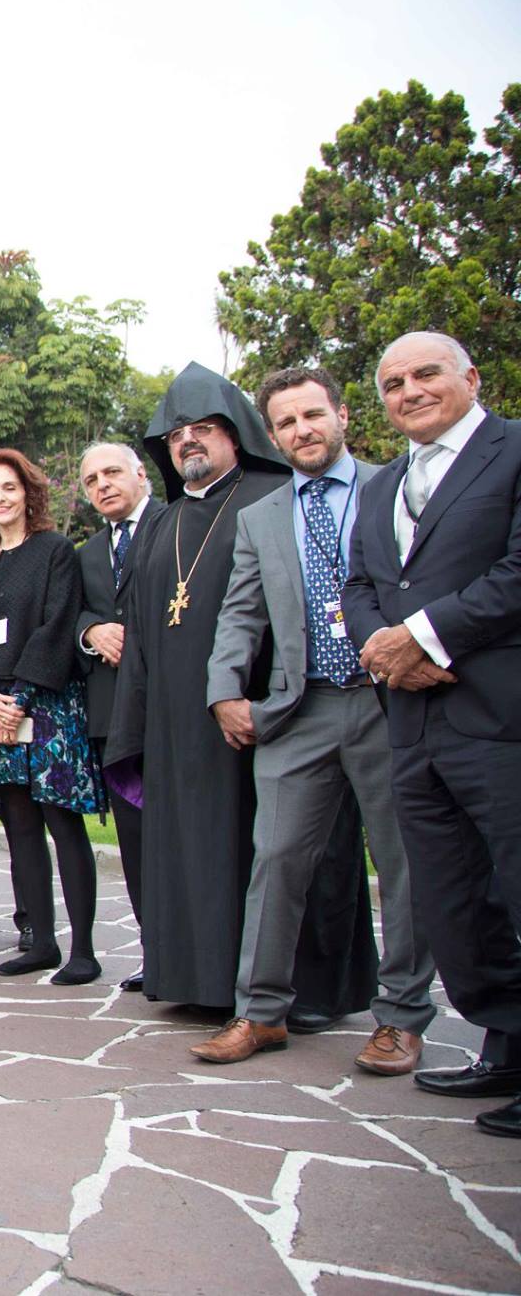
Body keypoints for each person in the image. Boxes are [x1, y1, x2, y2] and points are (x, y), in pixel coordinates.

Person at [194, 367, 434, 1071]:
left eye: (312, 415)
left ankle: (401, 1018)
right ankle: (260, 1012)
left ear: (343, 416)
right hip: (300, 708)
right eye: (287, 422)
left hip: (391, 702)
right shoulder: (261, 517)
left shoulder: (398, 488)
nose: (302, 430)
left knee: (404, 862)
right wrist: (223, 689)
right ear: (274, 435)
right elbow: (241, 611)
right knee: (276, 862)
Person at [342, 331, 521, 1138]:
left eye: (425, 373)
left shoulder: (512, 453)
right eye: (392, 382)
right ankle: (506, 1042)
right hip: (413, 723)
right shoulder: (382, 486)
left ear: (470, 377)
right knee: (455, 902)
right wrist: (388, 650)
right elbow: (359, 585)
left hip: (499, 716)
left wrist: (422, 636)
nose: (408, 390)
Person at [105, 363, 293, 1012]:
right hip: (172, 723)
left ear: (234, 433)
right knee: (187, 850)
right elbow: (138, 627)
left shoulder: (273, 496)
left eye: (204, 429)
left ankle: (267, 988)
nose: (189, 440)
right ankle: (194, 981)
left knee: (256, 849)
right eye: (177, 433)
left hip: (252, 714)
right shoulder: (165, 521)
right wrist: (135, 724)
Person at [0, 451, 103, 986]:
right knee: (18, 829)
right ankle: (40, 942)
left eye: (8, 488)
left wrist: (18, 699)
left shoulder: (55, 550)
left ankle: (83, 951)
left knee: (63, 825)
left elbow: (56, 625)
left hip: (45, 708)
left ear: (28, 492)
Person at [74, 442, 160, 988]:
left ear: (140, 473)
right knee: (135, 842)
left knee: (185, 838)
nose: (102, 485)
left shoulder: (175, 527)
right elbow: (73, 610)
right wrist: (90, 629)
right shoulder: (87, 554)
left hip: (173, 711)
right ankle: (157, 955)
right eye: (91, 480)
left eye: (111, 473)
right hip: (113, 719)